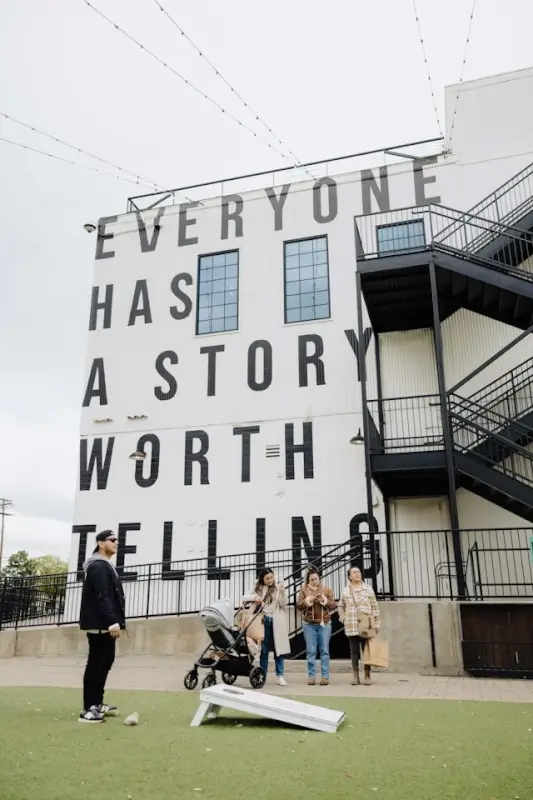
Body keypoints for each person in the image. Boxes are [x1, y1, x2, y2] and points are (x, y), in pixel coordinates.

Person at [78, 529, 126, 723]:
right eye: (112, 539)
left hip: (104, 625)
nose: (116, 543)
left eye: (117, 540)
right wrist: (111, 621)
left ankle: (97, 703)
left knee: (106, 661)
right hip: (100, 625)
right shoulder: (98, 565)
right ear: (100, 543)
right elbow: (101, 595)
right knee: (96, 664)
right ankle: (89, 708)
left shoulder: (105, 565)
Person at [338, 566, 380, 686]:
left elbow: (375, 606)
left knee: (367, 650)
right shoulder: (346, 591)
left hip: (366, 625)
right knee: (354, 651)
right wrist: (344, 619)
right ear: (350, 577)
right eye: (354, 572)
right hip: (352, 625)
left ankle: (367, 675)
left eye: (358, 572)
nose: (357, 574)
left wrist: (376, 624)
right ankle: (355, 675)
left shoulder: (368, 589)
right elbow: (340, 607)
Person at [297, 566, 336, 686]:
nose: (315, 581)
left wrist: (325, 601)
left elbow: (334, 605)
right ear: (308, 580)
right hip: (309, 624)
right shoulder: (303, 591)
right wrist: (306, 602)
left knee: (324, 651)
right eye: (312, 579)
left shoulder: (327, 590)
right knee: (311, 651)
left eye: (316, 579)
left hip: (325, 624)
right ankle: (311, 675)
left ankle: (325, 676)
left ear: (319, 579)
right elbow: (299, 606)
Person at [252, 568, 290, 686]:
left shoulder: (278, 588)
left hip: (276, 621)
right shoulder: (258, 588)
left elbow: (283, 604)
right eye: (267, 578)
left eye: (271, 578)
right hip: (263, 621)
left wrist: (283, 592)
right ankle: (263, 675)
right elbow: (251, 599)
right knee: (264, 650)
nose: (270, 580)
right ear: (262, 579)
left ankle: (280, 675)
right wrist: (256, 599)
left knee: (279, 651)